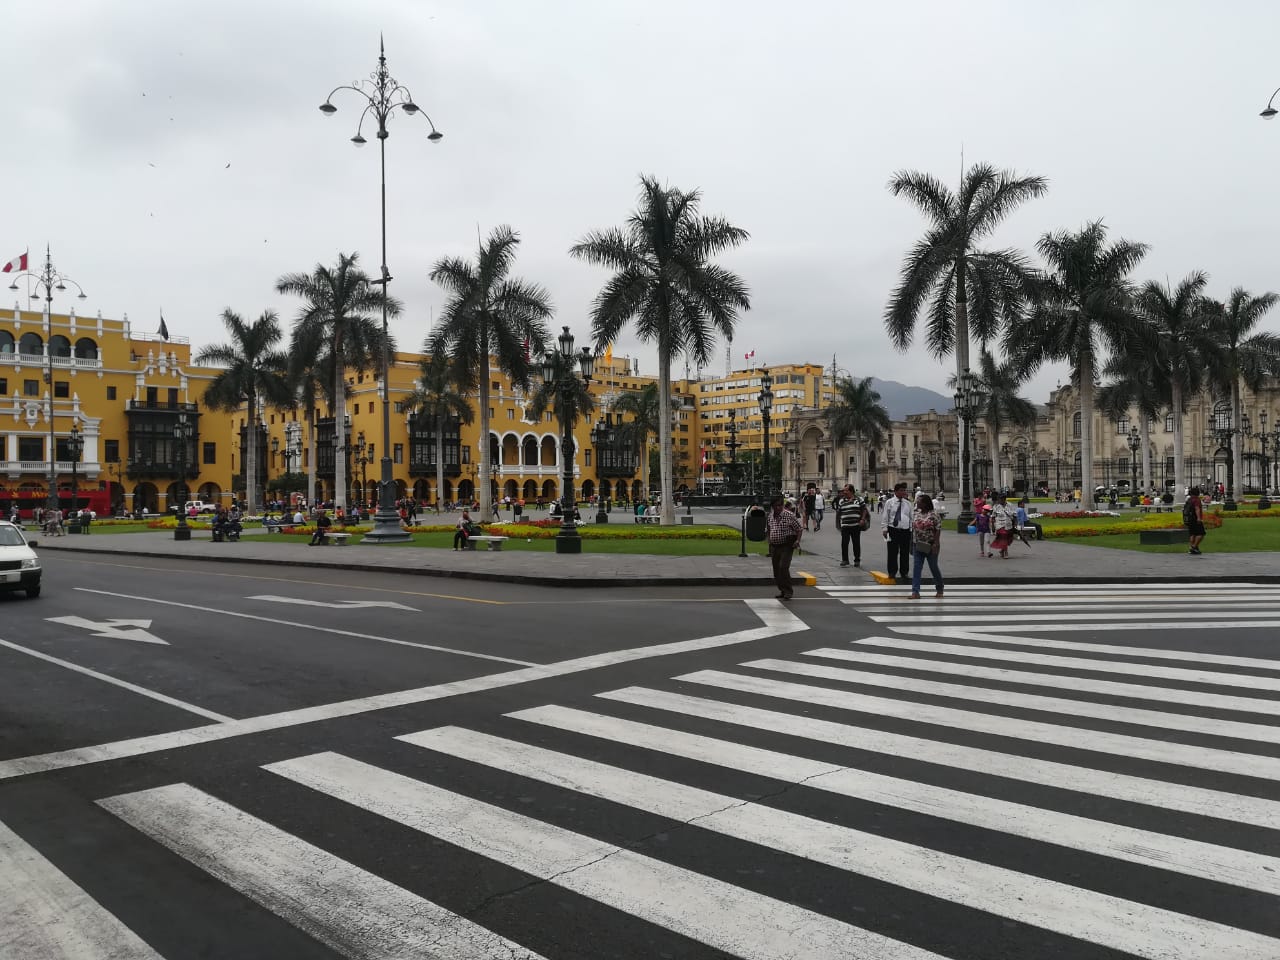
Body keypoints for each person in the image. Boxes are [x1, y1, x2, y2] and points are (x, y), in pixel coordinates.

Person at [766, 494, 803, 600]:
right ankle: (782, 590)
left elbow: (799, 529)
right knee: (776, 570)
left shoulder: (789, 515)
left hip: (786, 545)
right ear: (772, 506)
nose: (778, 507)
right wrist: (769, 540)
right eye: (776, 506)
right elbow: (768, 528)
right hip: (774, 546)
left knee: (783, 567)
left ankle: (788, 591)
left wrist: (797, 540)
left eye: (780, 505)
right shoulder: (770, 516)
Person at [908, 492, 944, 599]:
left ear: (925, 504)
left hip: (931, 545)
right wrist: (911, 542)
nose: (917, 503)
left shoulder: (934, 514)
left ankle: (939, 587)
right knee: (917, 568)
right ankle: (915, 591)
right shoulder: (916, 513)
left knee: (933, 567)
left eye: (919, 502)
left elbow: (938, 529)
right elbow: (913, 528)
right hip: (917, 544)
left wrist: (936, 544)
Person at [880, 482, 913, 581]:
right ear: (896, 491)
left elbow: (911, 517)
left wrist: (911, 529)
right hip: (893, 529)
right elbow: (885, 516)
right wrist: (884, 528)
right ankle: (892, 572)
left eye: (904, 490)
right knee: (892, 552)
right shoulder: (889, 502)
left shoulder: (907, 503)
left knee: (905, 552)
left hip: (905, 530)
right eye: (901, 490)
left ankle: (904, 572)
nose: (904, 492)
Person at [833, 484, 868, 567]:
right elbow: (839, 512)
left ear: (851, 491)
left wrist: (862, 519)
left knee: (856, 543)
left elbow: (864, 510)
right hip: (845, 525)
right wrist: (838, 524)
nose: (844, 492)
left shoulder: (859, 499)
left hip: (856, 525)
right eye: (844, 490)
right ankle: (845, 560)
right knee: (844, 543)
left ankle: (857, 560)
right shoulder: (841, 501)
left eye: (846, 490)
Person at [989, 492, 1016, 558]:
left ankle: (1002, 550)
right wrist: (992, 526)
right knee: (1004, 535)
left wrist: (1015, 524)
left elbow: (1015, 515)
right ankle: (1006, 553)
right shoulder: (996, 506)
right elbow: (993, 517)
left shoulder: (1010, 505)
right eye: (1000, 499)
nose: (1001, 500)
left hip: (1008, 524)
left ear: (1005, 499)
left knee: (1008, 538)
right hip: (1000, 525)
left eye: (1002, 499)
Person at [1184, 485, 1206, 555]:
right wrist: (1199, 518)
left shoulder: (1189, 499)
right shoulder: (1196, 499)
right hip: (1195, 518)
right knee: (1201, 534)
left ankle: (1192, 548)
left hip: (1189, 519)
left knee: (1192, 534)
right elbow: (1197, 509)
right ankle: (1194, 546)